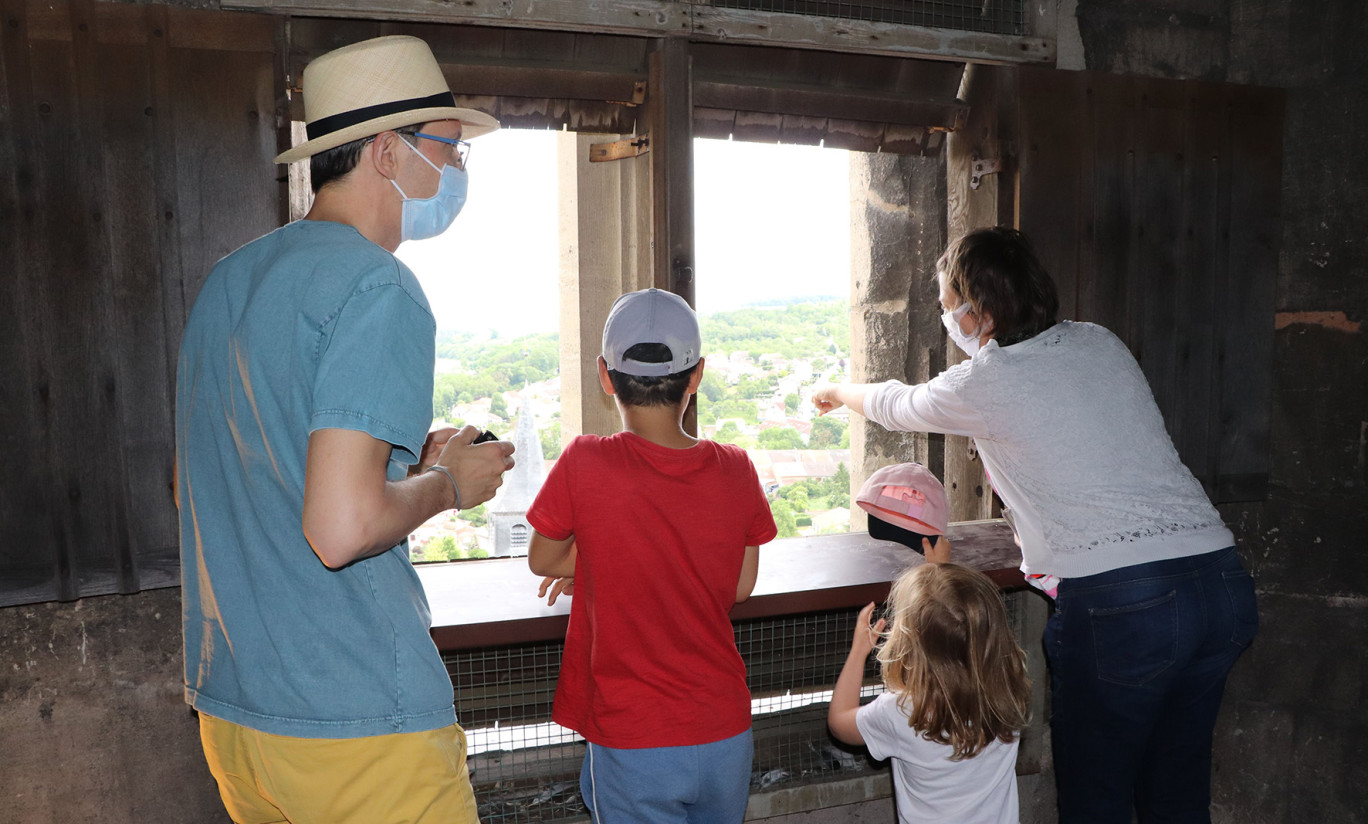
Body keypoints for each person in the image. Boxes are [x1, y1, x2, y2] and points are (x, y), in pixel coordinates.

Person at [174, 35, 515, 824]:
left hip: (237, 711)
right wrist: (446, 486)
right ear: (390, 153)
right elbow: (338, 528)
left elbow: (253, 472)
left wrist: (403, 468)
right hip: (356, 719)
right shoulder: (377, 284)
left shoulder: (231, 280)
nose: (456, 174)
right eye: (449, 152)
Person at [811, 226, 1258, 824]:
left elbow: (900, 403)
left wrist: (839, 390)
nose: (951, 323)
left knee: (1096, 796)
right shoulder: (1098, 341)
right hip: (1222, 583)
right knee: (1176, 789)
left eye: (951, 310)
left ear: (981, 313)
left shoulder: (987, 381)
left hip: (1125, 604)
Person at [525, 288, 778, 823]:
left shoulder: (585, 461)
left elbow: (544, 559)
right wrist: (616, 562)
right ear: (696, 376)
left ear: (604, 375)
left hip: (632, 735)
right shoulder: (736, 468)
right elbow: (738, 585)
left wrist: (605, 564)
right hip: (723, 730)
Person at [829, 562, 1030, 824]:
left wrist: (859, 650)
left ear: (909, 641)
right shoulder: (1009, 692)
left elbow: (839, 721)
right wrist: (937, 569)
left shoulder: (901, 711)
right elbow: (958, 616)